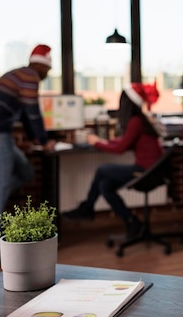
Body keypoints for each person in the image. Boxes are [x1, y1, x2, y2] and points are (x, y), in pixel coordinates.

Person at [0, 44, 57, 263]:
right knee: (0, 189)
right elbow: (33, 112)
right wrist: (43, 140)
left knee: (26, 171)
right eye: (48, 70)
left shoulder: (19, 74)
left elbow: (23, 111)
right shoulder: (30, 77)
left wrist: (35, 139)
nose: (47, 74)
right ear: (42, 67)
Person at [62, 83, 162, 239]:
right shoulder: (139, 120)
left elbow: (120, 148)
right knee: (105, 186)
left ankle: (88, 208)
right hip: (148, 169)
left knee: (102, 170)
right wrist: (104, 141)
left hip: (147, 171)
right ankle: (132, 222)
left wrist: (97, 142)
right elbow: (124, 142)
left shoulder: (135, 121)